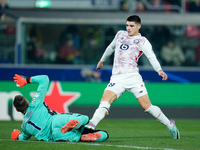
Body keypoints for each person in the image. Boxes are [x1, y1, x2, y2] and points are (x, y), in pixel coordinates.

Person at [85, 15, 180, 139]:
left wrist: (159, 70)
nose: (128, 28)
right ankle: (92, 124)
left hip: (133, 77)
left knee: (147, 106)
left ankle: (170, 124)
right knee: (105, 99)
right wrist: (101, 60)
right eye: (127, 25)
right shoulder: (120, 34)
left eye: (131, 26)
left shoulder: (143, 41)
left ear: (139, 26)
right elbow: (111, 47)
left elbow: (151, 56)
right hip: (117, 77)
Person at [11, 74, 109, 142]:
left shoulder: (25, 126)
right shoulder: (35, 103)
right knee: (86, 119)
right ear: (27, 101)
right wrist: (26, 80)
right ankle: (79, 122)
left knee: (80, 136)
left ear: (17, 110)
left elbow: (24, 137)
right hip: (57, 120)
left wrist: (17, 136)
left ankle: (81, 137)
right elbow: (44, 79)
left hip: (54, 136)